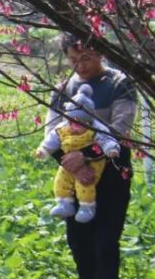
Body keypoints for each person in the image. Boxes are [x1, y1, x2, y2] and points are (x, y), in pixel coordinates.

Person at [43, 34, 137, 279]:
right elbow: (51, 131)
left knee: (105, 242)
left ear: (99, 54)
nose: (79, 66)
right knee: (80, 243)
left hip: (111, 172)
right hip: (73, 179)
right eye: (73, 60)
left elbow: (120, 128)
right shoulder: (63, 90)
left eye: (85, 58)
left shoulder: (119, 83)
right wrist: (71, 163)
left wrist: (87, 157)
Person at [35, 83, 120, 223]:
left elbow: (106, 139)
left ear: (88, 121)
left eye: (80, 124)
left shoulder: (95, 128)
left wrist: (111, 149)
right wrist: (43, 151)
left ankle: (87, 206)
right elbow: (51, 141)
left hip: (92, 163)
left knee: (84, 182)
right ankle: (64, 203)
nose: (74, 128)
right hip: (68, 162)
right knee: (60, 180)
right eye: (71, 123)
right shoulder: (61, 128)